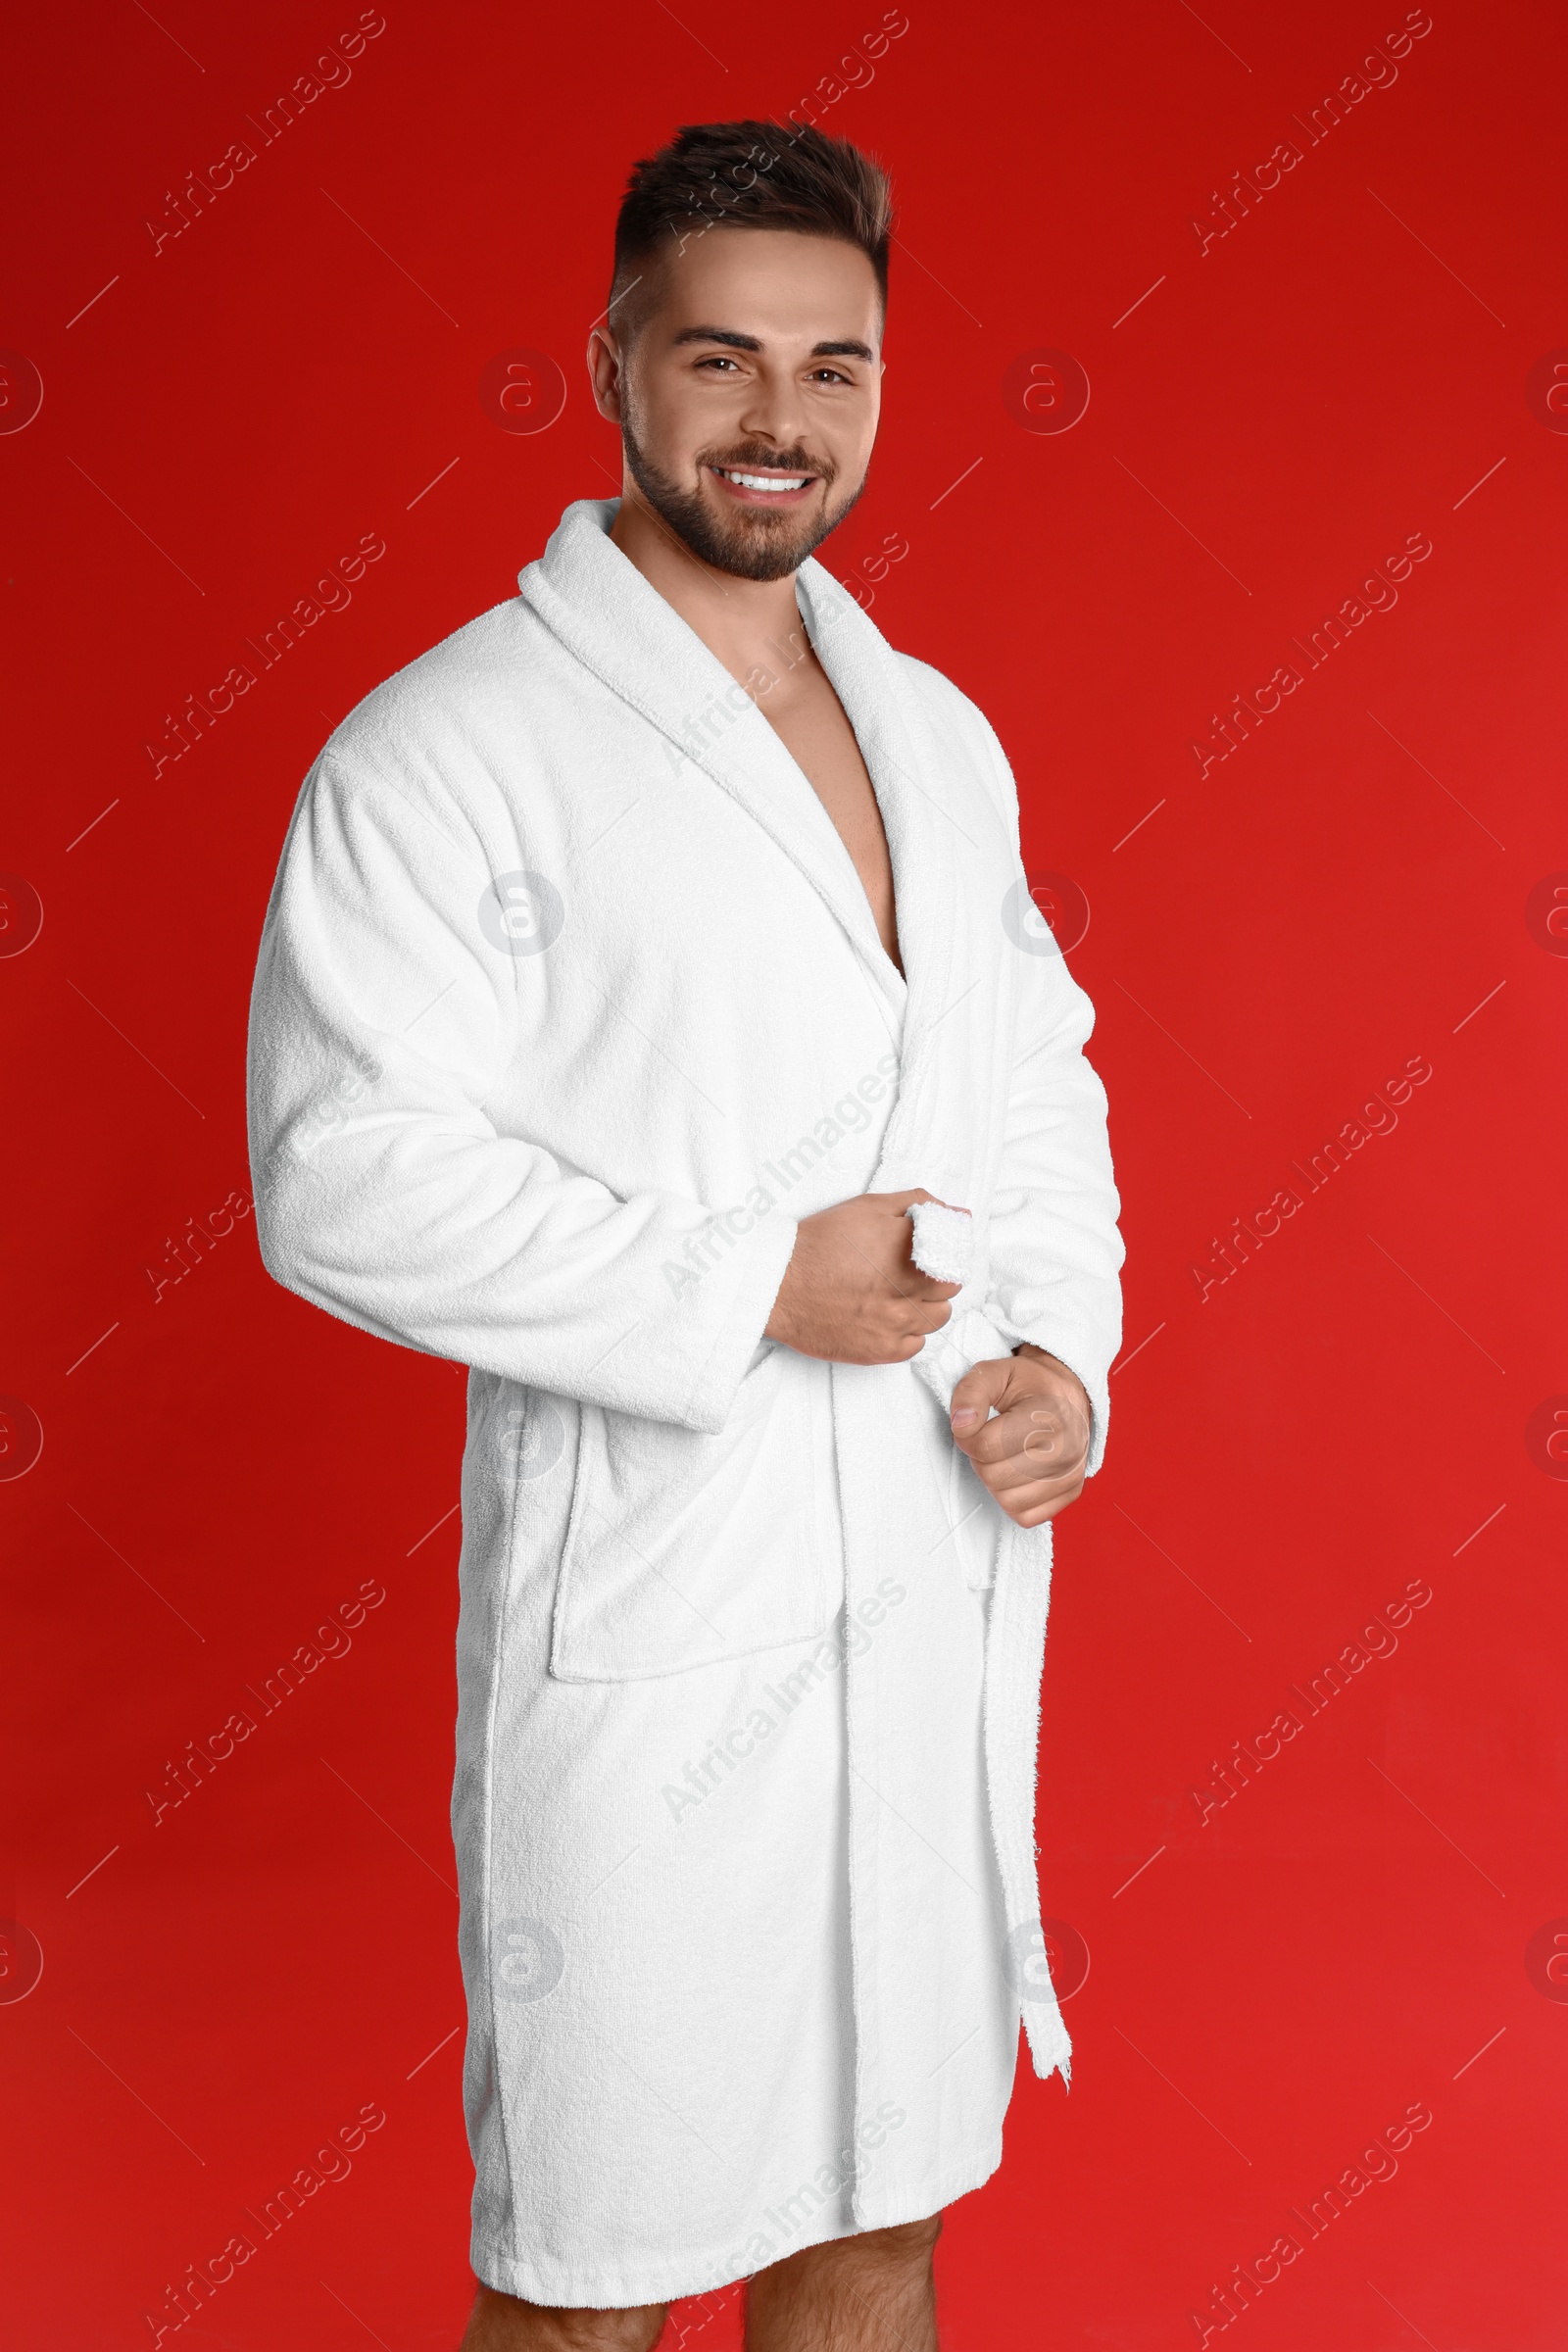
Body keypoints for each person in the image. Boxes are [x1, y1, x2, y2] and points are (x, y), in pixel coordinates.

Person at [246, 117, 1123, 2352]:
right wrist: (745, 1284)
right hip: (653, 1620)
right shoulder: (448, 747)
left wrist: (1056, 1362)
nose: (776, 420)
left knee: (881, 2219)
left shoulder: (933, 734)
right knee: (597, 2272)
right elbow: (337, 1171)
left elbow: (1033, 1077)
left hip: (915, 1596)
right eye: (719, 358)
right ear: (612, 364)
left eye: (832, 369)